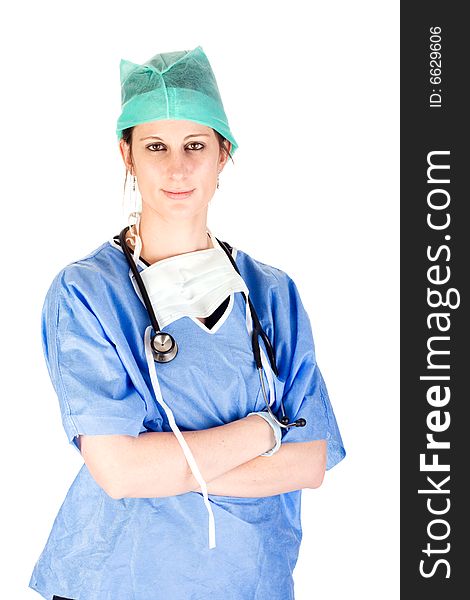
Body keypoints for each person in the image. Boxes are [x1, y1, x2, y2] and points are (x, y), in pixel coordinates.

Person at [29, 45, 346, 600]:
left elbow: (312, 460)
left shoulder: (272, 294)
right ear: (127, 155)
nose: (177, 168)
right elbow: (121, 472)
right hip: (115, 583)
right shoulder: (86, 293)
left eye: (195, 146)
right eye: (156, 146)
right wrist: (267, 431)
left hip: (250, 583)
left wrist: (170, 469)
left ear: (224, 155)